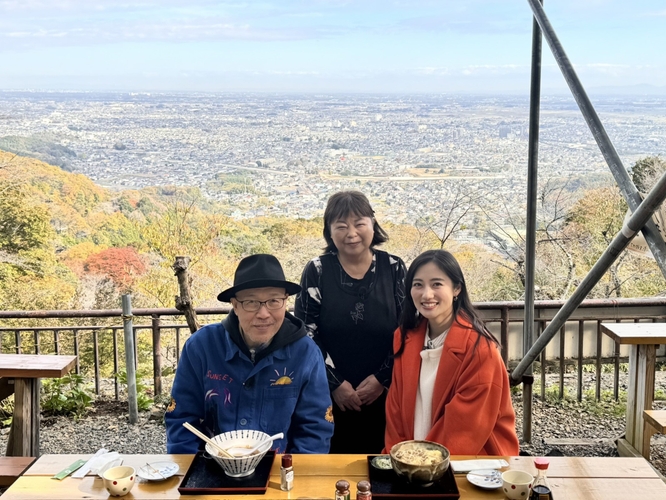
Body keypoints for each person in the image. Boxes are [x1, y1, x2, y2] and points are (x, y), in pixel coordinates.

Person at [165, 254, 334, 454]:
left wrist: (291, 475)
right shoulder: (201, 347)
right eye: (251, 302)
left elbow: (315, 429)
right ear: (235, 305)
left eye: (273, 301)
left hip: (277, 470)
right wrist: (194, 474)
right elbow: (182, 421)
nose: (263, 313)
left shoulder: (305, 353)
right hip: (212, 467)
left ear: (285, 302)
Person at [295, 190, 407, 454]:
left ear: (372, 224)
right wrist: (335, 383)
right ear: (329, 231)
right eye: (341, 226)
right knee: (332, 468)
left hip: (386, 392)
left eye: (359, 223)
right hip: (328, 394)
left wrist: (382, 379)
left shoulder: (394, 268)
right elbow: (306, 333)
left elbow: (408, 329)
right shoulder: (318, 270)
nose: (351, 233)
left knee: (383, 466)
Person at [384, 249, 519, 455]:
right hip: (409, 464)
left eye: (437, 284)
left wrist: (418, 462)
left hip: (472, 466)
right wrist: (397, 458)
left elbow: (465, 429)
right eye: (418, 284)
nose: (426, 294)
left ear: (456, 289)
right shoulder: (404, 338)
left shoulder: (481, 349)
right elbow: (395, 413)